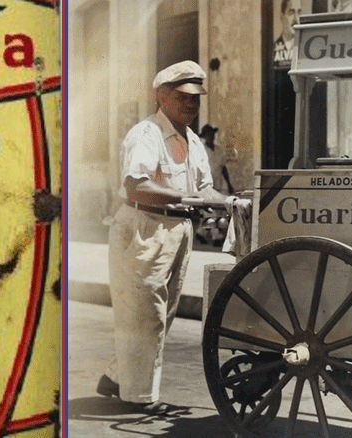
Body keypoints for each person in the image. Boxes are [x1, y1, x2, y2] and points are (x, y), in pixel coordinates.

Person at [96, 60, 226, 413]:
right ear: (162, 96)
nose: (191, 105)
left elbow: (205, 189)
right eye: (183, 97)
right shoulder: (147, 134)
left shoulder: (193, 140)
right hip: (144, 227)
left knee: (162, 314)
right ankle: (139, 399)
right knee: (144, 315)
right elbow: (136, 187)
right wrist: (188, 199)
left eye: (196, 98)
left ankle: (116, 375)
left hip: (179, 229)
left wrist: (231, 202)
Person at [273, 0, 305, 69]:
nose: (296, 19)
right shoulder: (273, 48)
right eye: (291, 12)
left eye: (299, 12)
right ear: (282, 16)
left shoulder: (305, 48)